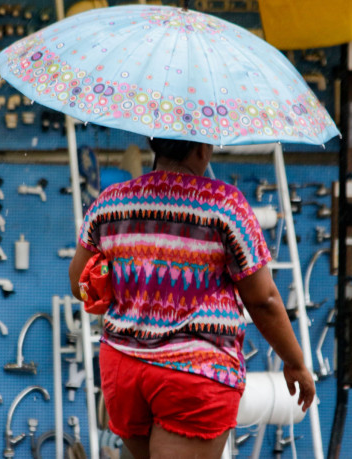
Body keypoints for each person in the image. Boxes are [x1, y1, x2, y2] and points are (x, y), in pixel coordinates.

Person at [68, 138, 315, 459]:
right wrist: (295, 362)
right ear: (202, 149)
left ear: (153, 143)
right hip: (193, 376)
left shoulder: (110, 203)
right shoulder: (225, 206)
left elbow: (78, 283)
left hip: (123, 371)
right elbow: (263, 300)